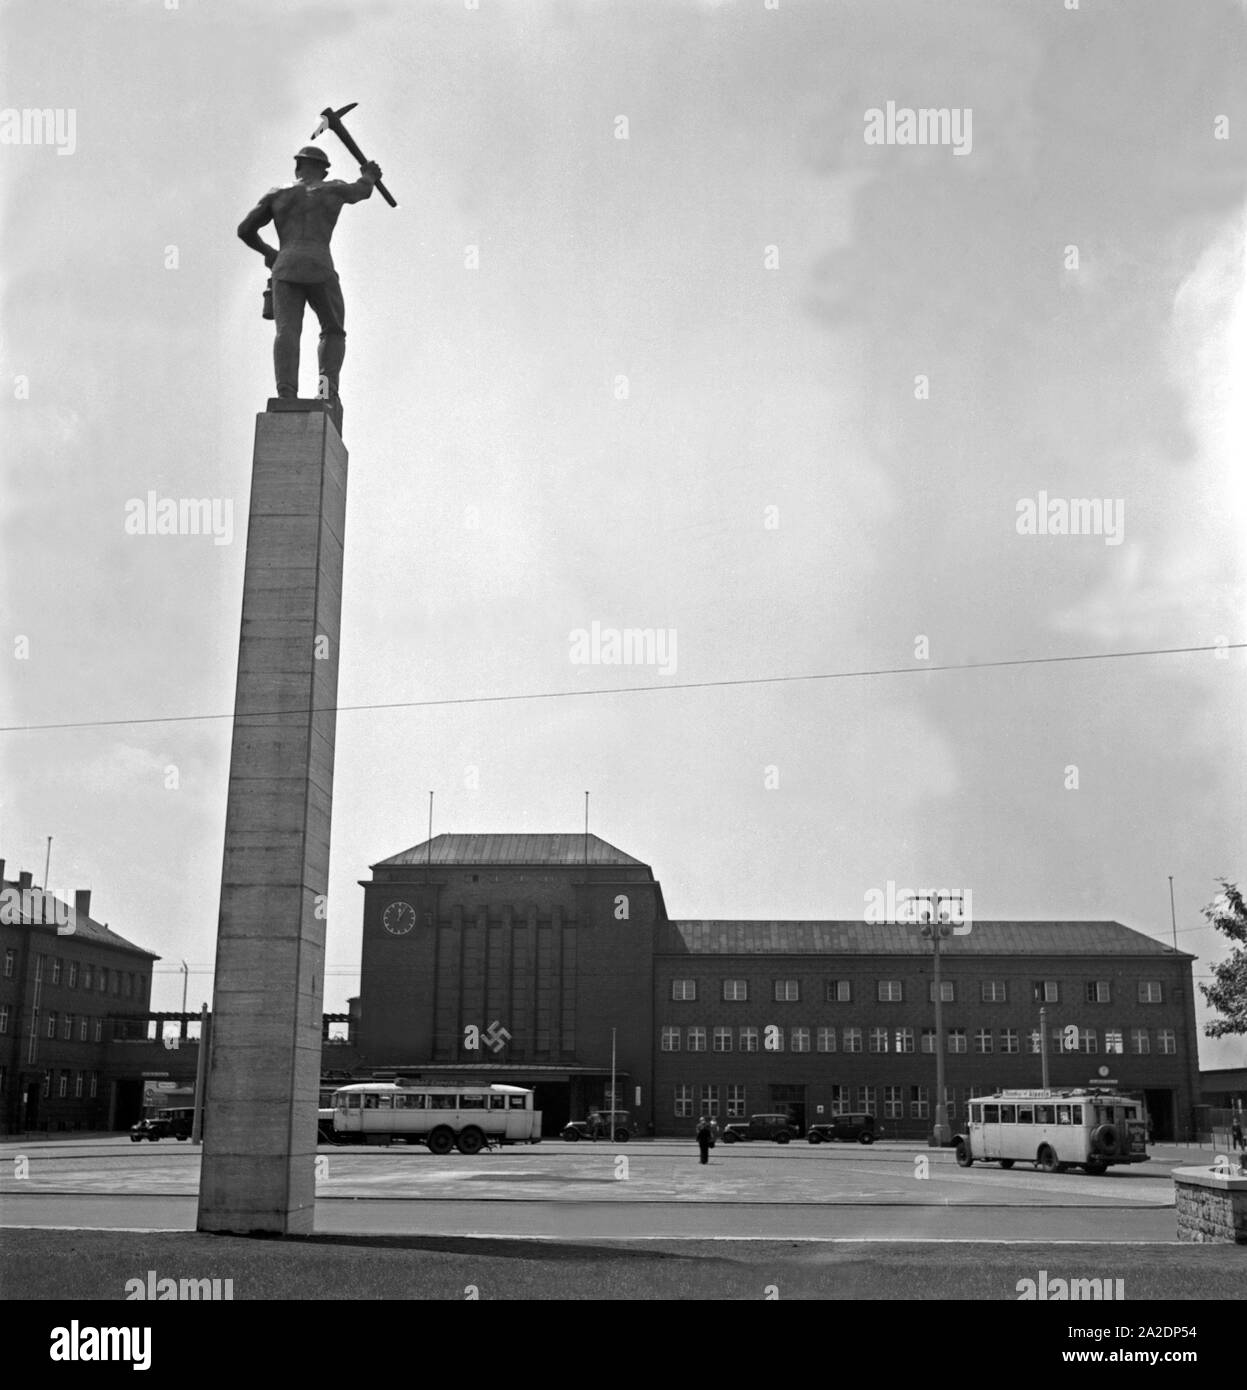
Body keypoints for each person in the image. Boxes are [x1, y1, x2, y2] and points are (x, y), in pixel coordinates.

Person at [237, 145, 383, 411]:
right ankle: (326, 393)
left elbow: (245, 230)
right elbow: (361, 191)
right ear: (324, 170)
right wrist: (369, 175)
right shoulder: (333, 189)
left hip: (286, 266)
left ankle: (286, 396)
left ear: (298, 167)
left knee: (287, 331)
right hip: (319, 266)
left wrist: (269, 252)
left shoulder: (278, 193)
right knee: (333, 330)